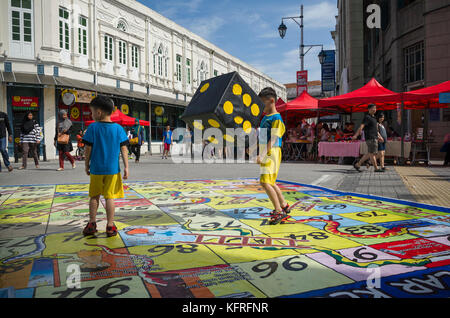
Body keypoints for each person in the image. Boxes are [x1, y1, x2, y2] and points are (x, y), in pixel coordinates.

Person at [81, 96, 129, 237]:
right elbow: (124, 149)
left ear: (99, 112)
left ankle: (92, 223)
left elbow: (87, 149)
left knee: (94, 196)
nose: (92, 114)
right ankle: (110, 225)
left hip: (96, 169)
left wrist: (86, 165)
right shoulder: (118, 129)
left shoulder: (93, 128)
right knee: (110, 197)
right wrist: (126, 167)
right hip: (113, 170)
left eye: (92, 111)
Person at [256, 87, 290, 225]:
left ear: (271, 101)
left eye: (263, 103)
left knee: (264, 182)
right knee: (270, 182)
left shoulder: (276, 118)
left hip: (272, 151)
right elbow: (264, 137)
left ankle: (278, 211)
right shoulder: (266, 117)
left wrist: (263, 154)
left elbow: (274, 138)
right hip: (269, 150)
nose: (261, 106)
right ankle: (284, 205)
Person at [352, 104, 384, 172]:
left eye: (375, 108)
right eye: (373, 108)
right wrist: (356, 135)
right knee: (372, 153)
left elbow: (375, 129)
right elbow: (361, 126)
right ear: (368, 109)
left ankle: (358, 164)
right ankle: (376, 168)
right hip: (370, 137)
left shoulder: (374, 118)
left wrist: (379, 136)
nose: (374, 109)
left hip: (374, 137)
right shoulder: (367, 117)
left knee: (370, 153)